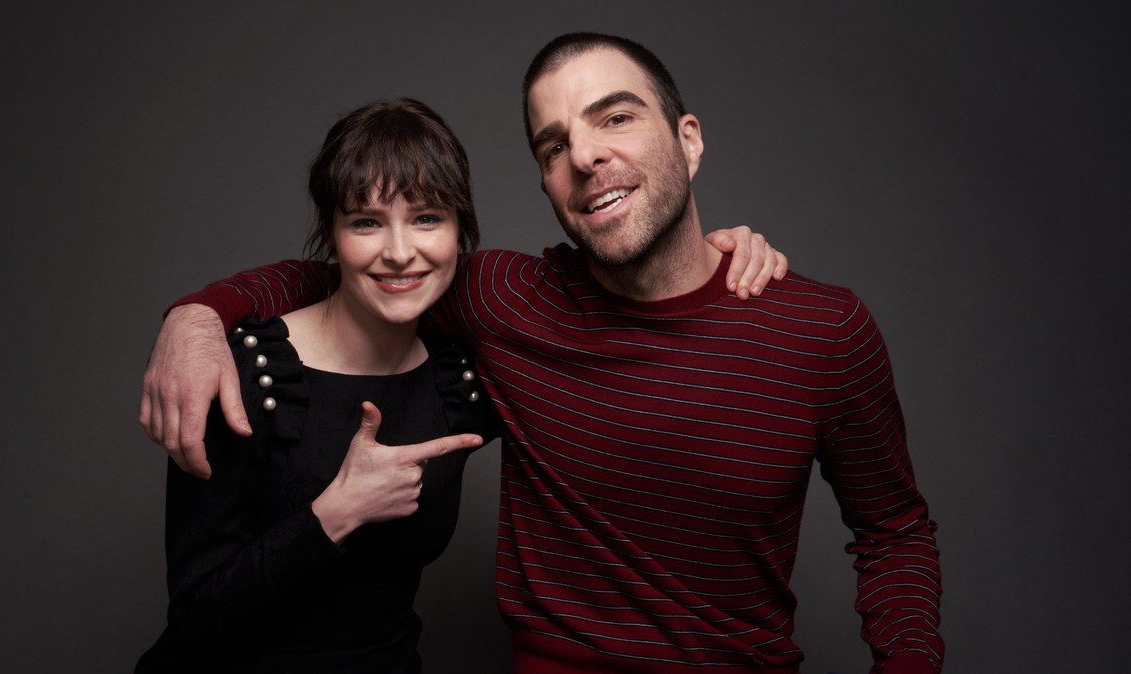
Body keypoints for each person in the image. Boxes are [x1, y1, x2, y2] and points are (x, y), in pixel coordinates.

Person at [144, 33, 942, 673]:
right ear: (545, 184)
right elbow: (358, 275)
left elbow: (895, 529)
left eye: (616, 117)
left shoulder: (820, 329)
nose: (585, 155)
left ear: (688, 140)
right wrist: (199, 316)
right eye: (553, 144)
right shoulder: (505, 302)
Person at [136, 99, 502, 673]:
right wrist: (337, 511)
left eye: (428, 218)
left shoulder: (462, 384)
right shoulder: (249, 375)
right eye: (366, 222)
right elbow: (196, 622)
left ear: (461, 232)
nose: (400, 252)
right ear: (331, 237)